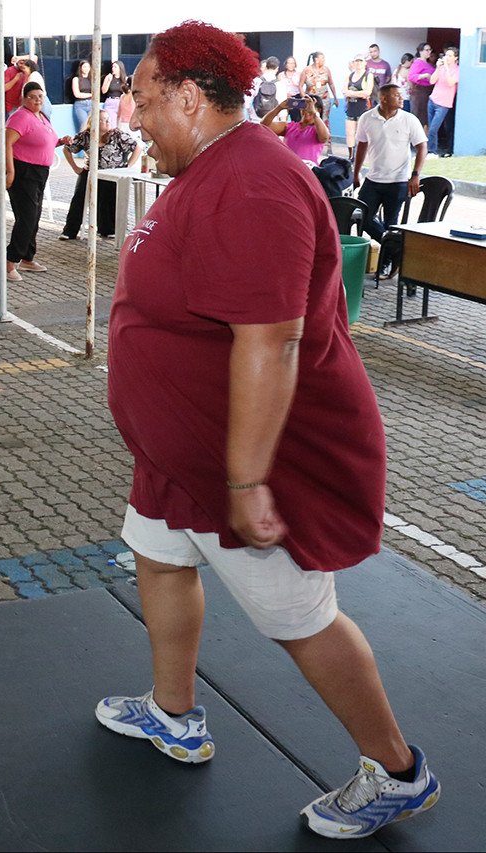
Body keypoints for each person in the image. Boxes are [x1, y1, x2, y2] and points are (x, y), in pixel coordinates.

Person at [100, 21, 439, 841]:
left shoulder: (251, 183)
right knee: (157, 552)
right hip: (177, 459)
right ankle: (173, 712)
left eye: (143, 101)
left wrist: (248, 480)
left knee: (299, 616)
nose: (134, 119)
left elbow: (273, 338)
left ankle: (396, 770)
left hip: (247, 467)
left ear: (189, 94)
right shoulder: (205, 170)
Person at [353, 84, 427, 251]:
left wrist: (415, 175)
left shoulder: (409, 120)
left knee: (391, 223)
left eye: (402, 95)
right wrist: (356, 173)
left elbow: (422, 147)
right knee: (363, 217)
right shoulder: (367, 118)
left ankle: (388, 258)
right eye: (397, 96)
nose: (402, 99)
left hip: (398, 181)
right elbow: (362, 146)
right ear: (384, 99)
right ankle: (395, 249)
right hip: (373, 180)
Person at [5, 82, 60, 281]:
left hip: (40, 171)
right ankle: (10, 261)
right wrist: (10, 172)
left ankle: (27, 257)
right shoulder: (20, 117)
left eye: (40, 96)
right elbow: (7, 144)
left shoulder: (41, 116)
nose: (37, 100)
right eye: (33, 96)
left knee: (35, 216)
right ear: (24, 98)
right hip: (24, 171)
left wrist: (62, 141)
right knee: (26, 217)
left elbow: (48, 139)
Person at [60, 107, 141, 242]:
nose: (107, 122)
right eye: (103, 120)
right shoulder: (86, 136)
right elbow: (67, 149)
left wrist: (128, 166)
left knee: (110, 198)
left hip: (113, 173)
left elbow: (137, 147)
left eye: (108, 119)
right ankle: (70, 230)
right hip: (91, 172)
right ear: (94, 122)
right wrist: (75, 167)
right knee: (79, 198)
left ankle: (108, 229)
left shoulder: (117, 135)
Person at [261, 94, 330, 165]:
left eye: (309, 106)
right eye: (304, 106)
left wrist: (314, 113)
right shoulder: (290, 127)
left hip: (307, 170)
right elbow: (264, 125)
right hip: (287, 168)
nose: (306, 110)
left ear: (319, 110)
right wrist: (279, 108)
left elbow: (324, 138)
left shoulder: (317, 129)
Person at [427, 47, 458, 158]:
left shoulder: (456, 70)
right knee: (431, 128)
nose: (447, 58)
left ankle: (432, 152)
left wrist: (447, 68)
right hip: (433, 100)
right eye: (446, 55)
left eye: (450, 56)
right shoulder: (442, 68)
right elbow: (432, 80)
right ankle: (430, 151)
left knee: (433, 129)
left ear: (455, 58)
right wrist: (438, 67)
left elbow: (451, 83)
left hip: (444, 104)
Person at [344, 56, 374, 158]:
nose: (358, 63)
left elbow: (367, 92)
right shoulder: (350, 75)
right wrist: (356, 94)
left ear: (365, 63)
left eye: (361, 61)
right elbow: (344, 91)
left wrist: (351, 93)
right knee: (350, 133)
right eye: (356, 61)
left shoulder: (368, 75)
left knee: (363, 134)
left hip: (363, 108)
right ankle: (351, 156)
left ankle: (362, 155)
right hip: (351, 107)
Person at [303, 52, 338, 128]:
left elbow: (331, 83)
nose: (324, 60)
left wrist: (335, 98)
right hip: (312, 100)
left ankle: (324, 137)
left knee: (324, 118)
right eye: (322, 58)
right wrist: (304, 97)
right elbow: (300, 85)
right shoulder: (307, 70)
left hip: (324, 99)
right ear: (316, 59)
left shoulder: (326, 69)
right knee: (311, 118)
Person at [408, 43, 435, 128]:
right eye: (426, 50)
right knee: (420, 117)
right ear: (420, 51)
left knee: (426, 118)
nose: (429, 52)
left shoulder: (427, 63)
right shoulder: (418, 63)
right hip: (420, 92)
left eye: (430, 50)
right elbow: (411, 76)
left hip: (428, 92)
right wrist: (426, 75)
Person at [71, 60, 94, 131]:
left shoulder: (92, 79)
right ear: (80, 68)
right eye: (84, 67)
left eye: (88, 67)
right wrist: (90, 95)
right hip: (80, 104)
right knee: (83, 125)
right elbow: (77, 94)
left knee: (92, 125)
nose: (86, 69)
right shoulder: (76, 79)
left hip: (91, 104)